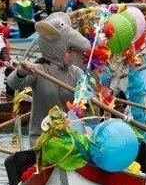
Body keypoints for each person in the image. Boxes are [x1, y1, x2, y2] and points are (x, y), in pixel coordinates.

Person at [6, 12, 92, 144]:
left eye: (74, 51)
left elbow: (90, 98)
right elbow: (13, 84)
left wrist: (93, 95)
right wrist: (22, 71)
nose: (73, 55)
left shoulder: (77, 72)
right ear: (57, 49)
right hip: (42, 139)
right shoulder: (38, 71)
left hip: (70, 139)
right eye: (70, 51)